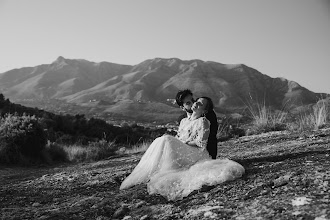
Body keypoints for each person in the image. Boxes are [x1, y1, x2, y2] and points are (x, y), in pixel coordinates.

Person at [120, 97, 245, 201]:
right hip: (184, 149)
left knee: (166, 139)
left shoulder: (204, 122)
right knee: (162, 139)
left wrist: (183, 142)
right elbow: (178, 136)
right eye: (196, 101)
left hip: (196, 153)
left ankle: (153, 171)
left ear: (205, 109)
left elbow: (201, 143)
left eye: (200, 103)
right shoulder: (184, 121)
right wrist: (178, 141)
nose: (196, 103)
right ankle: (149, 170)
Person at [176, 89, 218, 159]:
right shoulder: (182, 119)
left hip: (201, 153)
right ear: (182, 108)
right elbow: (179, 136)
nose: (193, 103)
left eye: (193, 100)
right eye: (188, 103)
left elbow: (210, 137)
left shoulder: (208, 116)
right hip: (183, 150)